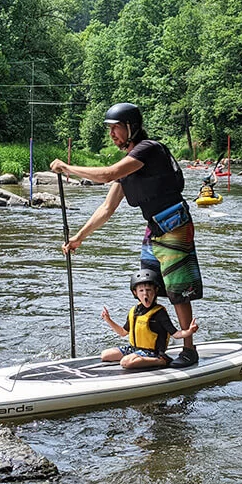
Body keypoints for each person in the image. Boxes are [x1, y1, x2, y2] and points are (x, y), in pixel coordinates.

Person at [49, 102, 203, 368]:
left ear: (131, 128)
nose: (112, 135)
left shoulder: (148, 150)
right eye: (110, 130)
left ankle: (189, 350)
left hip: (175, 224)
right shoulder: (129, 165)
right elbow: (107, 208)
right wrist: (79, 237)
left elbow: (108, 174)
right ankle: (149, 344)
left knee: (178, 291)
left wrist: (69, 168)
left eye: (116, 128)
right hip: (154, 228)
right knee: (148, 284)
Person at [100, 269, 199, 369]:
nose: (145, 294)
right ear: (135, 293)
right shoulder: (134, 311)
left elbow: (176, 334)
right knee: (105, 355)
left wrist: (189, 331)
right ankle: (136, 358)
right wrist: (108, 319)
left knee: (125, 362)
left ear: (155, 291)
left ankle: (162, 361)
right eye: (141, 291)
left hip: (152, 352)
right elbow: (122, 332)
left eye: (148, 290)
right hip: (134, 349)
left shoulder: (160, 313)